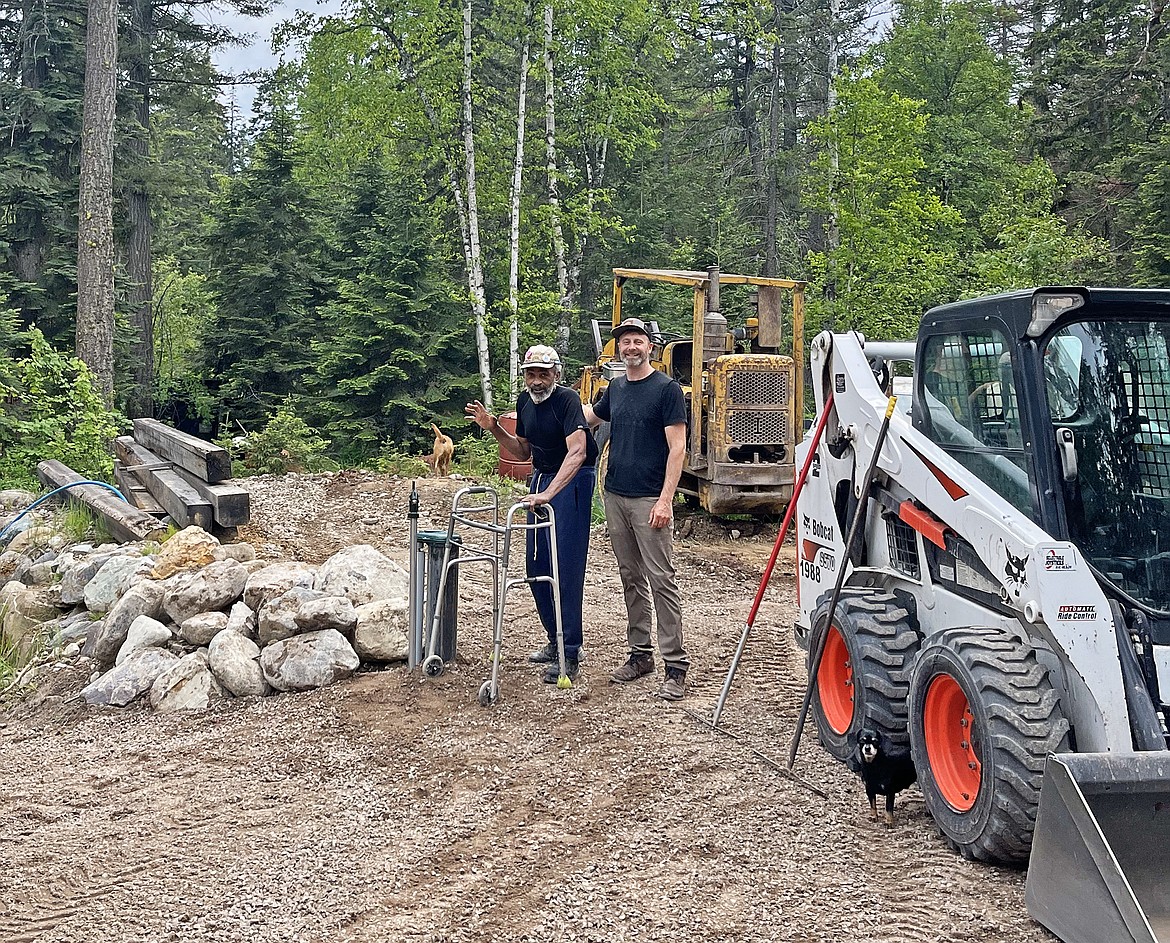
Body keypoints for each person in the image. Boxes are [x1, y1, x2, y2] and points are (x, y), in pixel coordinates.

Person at [465, 345, 597, 683]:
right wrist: (493, 427)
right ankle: (555, 640)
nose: (537, 381)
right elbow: (523, 449)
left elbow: (578, 451)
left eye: (543, 374)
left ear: (556, 373)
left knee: (564, 566)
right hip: (541, 480)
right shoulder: (526, 402)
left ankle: (570, 651)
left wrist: (550, 493)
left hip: (572, 480)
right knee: (535, 566)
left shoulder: (567, 401)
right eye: (531, 374)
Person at [583, 317, 689, 700]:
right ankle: (640, 656)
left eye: (637, 341)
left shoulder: (667, 391)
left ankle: (675, 667)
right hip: (615, 496)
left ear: (650, 347)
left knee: (661, 580)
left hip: (649, 501)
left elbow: (678, 448)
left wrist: (665, 500)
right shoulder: (615, 388)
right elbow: (588, 418)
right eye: (625, 342)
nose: (630, 347)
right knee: (630, 578)